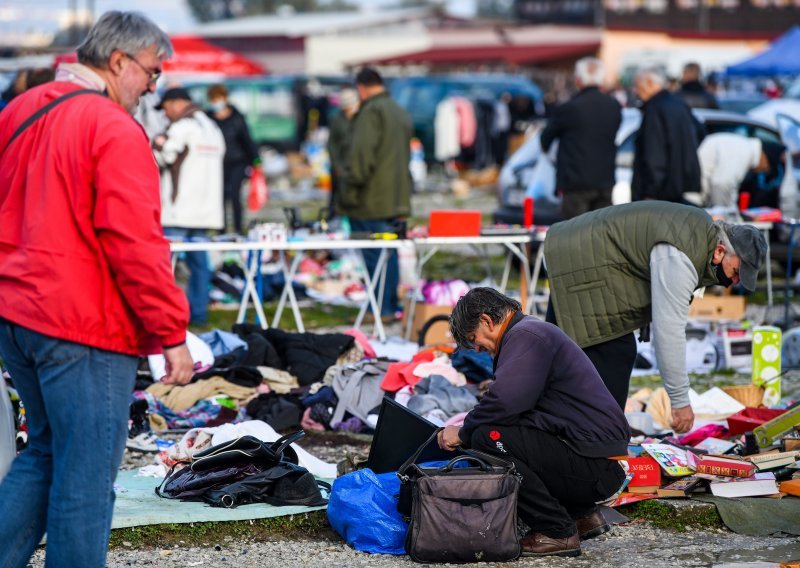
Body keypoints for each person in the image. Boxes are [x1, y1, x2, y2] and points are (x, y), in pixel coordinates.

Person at [0, 11, 193, 568]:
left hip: (19, 315)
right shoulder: (111, 126)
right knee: (85, 478)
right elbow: (135, 241)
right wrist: (169, 332)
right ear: (118, 62)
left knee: (45, 454)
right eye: (153, 73)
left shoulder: (21, 108)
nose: (154, 86)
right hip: (82, 323)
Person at [543, 201, 768, 433]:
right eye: (736, 272)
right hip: (578, 261)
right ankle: (598, 436)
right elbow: (669, 333)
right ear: (720, 251)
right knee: (614, 352)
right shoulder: (682, 255)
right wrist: (680, 402)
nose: (735, 281)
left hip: (582, 254)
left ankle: (586, 431)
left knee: (572, 357)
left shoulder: (699, 237)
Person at [438, 288, 630, 558]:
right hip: (596, 458)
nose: (478, 349)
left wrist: (463, 431)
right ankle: (582, 516)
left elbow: (506, 401)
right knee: (502, 433)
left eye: (475, 340)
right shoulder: (529, 333)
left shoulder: (526, 336)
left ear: (486, 321)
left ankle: (556, 531)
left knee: (486, 437)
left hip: (597, 464)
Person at [338, 67, 412, 319]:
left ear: (361, 88)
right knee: (387, 253)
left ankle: (381, 307)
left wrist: (348, 191)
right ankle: (389, 304)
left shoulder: (371, 111)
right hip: (396, 196)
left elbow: (361, 157)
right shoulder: (398, 110)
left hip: (371, 197)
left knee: (374, 255)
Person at [152, 87, 226, 326]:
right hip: (206, 211)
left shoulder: (181, 128)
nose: (165, 115)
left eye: (165, 109)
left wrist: (156, 143)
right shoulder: (212, 128)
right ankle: (198, 313)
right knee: (199, 265)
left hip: (178, 209)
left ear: (176, 103)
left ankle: (163, 314)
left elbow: (163, 157)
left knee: (163, 265)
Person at [540, 57, 622, 219]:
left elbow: (545, 139)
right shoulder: (613, 106)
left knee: (575, 234)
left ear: (578, 80)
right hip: (605, 179)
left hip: (575, 182)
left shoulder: (569, 108)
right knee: (600, 233)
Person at [631, 66, 704, 203]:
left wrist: (650, 191)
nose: (635, 91)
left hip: (661, 191)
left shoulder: (655, 109)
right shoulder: (678, 104)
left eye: (637, 85)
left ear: (650, 83)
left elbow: (654, 154)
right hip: (681, 185)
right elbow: (700, 132)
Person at [206, 83, 260, 235]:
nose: (216, 102)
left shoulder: (237, 117)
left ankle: (237, 229)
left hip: (237, 162)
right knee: (220, 197)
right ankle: (221, 230)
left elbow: (247, 140)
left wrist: (255, 160)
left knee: (235, 196)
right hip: (217, 163)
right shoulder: (208, 118)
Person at [696, 133, 786, 209]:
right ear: (765, 159)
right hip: (694, 198)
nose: (760, 172)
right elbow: (723, 183)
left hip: (696, 193)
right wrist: (728, 215)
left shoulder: (742, 146)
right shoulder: (744, 151)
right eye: (765, 169)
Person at [327, 87, 359, 219]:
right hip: (340, 166)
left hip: (355, 165)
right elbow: (332, 145)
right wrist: (337, 166)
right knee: (337, 196)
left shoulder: (361, 118)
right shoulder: (337, 120)